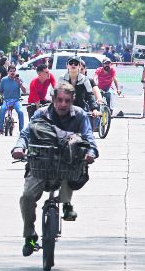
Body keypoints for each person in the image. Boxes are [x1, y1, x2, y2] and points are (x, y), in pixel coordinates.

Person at [12, 83, 98, 256]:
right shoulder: (41, 114)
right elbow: (26, 134)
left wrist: (91, 153)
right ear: (53, 99)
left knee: (75, 165)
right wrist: (18, 148)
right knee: (27, 198)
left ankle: (66, 203)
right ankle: (29, 236)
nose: (63, 104)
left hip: (67, 165)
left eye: (67, 100)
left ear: (72, 100)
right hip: (40, 164)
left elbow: (89, 138)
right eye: (59, 100)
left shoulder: (80, 115)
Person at [0, 65, 27, 135]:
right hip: (6, 100)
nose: (12, 73)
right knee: (2, 109)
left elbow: (25, 91)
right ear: (8, 72)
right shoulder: (4, 80)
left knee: (21, 112)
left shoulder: (19, 79)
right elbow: (0, 91)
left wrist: (20, 83)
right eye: (11, 71)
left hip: (16, 100)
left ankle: (21, 130)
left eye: (14, 71)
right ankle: (0, 129)